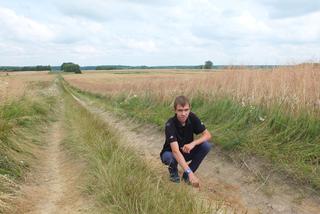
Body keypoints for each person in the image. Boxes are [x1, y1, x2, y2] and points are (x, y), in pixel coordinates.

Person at [160, 95, 212, 187]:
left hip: (186, 151)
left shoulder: (192, 117)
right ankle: (174, 173)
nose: (183, 113)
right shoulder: (170, 124)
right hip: (171, 153)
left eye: (186, 110)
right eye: (180, 110)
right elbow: (175, 151)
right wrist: (190, 173)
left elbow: (208, 135)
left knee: (206, 146)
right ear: (175, 110)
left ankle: (186, 177)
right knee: (170, 157)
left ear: (189, 109)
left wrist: (193, 143)